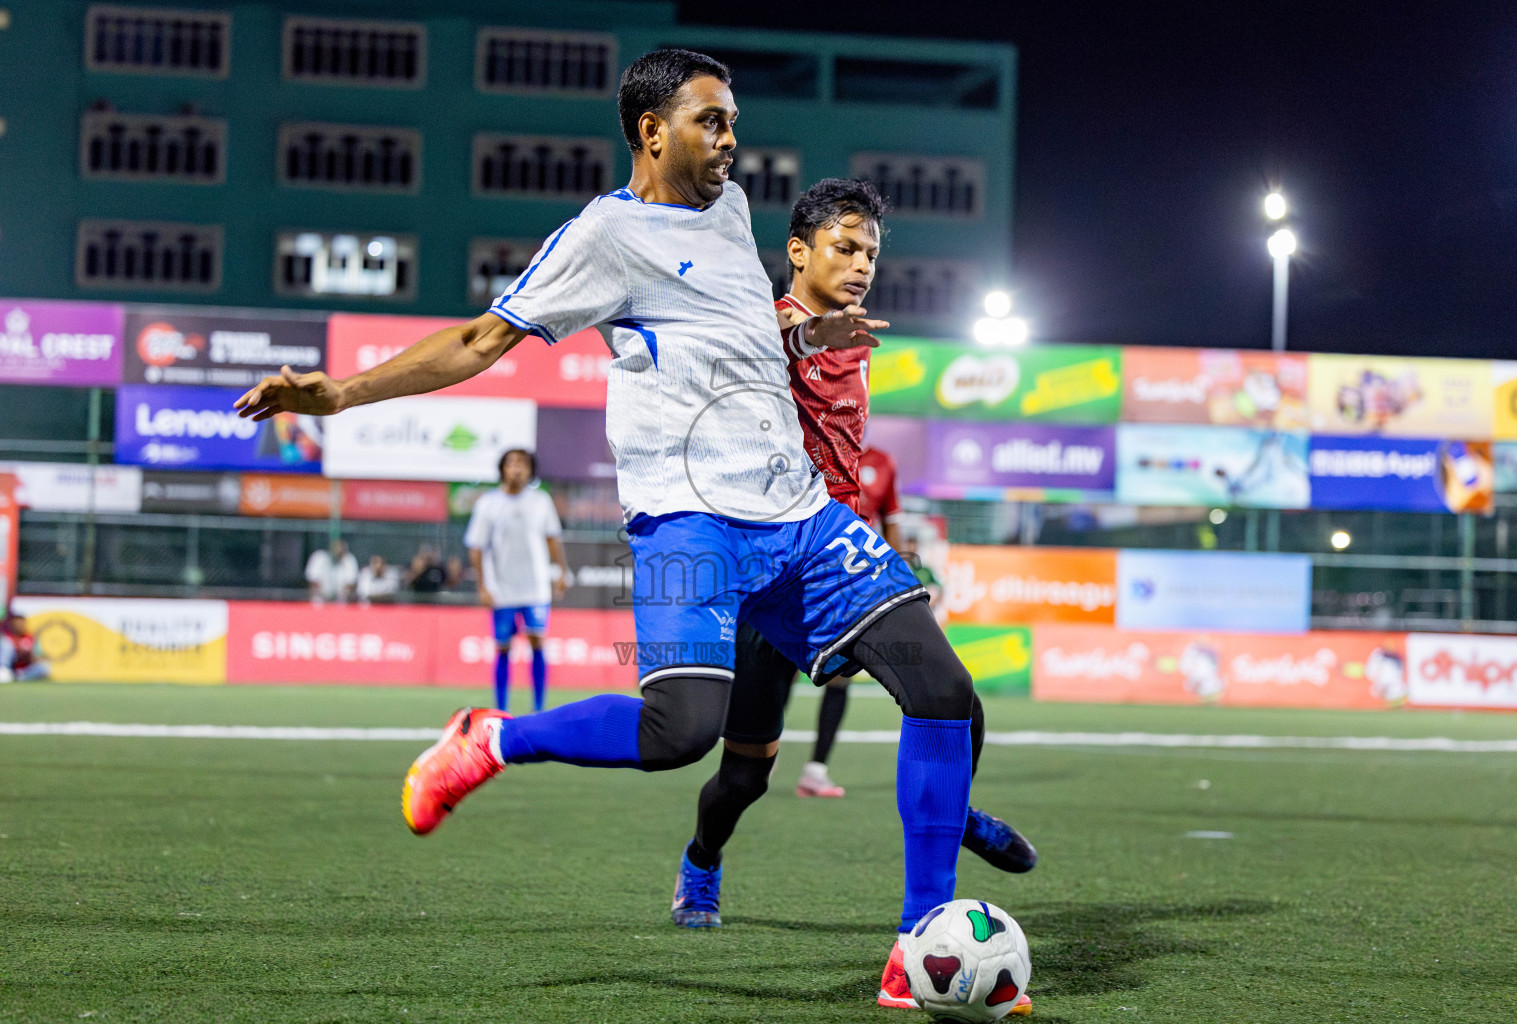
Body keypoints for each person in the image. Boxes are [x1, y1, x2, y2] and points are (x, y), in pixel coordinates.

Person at [234, 49, 1008, 1011]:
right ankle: (494, 737)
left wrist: (807, 339)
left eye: (731, 121)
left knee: (943, 689)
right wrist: (341, 392)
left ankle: (915, 945)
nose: (731, 140)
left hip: (799, 512)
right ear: (652, 132)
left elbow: (729, 333)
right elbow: (481, 340)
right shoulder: (603, 236)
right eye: (710, 122)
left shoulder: (727, 211)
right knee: (682, 733)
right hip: (689, 521)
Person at [669, 180, 1034, 1010]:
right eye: (844, 246)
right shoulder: (769, 327)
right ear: (797, 252)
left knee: (953, 696)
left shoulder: (858, 339)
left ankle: (923, 915)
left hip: (845, 560)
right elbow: (747, 346)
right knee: (745, 776)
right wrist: (800, 331)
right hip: (772, 574)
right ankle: (702, 860)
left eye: (871, 250)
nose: (862, 263)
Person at [795, 442, 905, 797]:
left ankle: (816, 769)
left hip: (850, 582)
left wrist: (897, 576)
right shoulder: (807, 447)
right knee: (777, 670)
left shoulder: (882, 461)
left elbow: (892, 525)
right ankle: (763, 750)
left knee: (842, 673)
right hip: (798, 574)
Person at [464, 448, 570, 713]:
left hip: (535, 588)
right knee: (503, 647)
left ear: (530, 470)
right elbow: (476, 547)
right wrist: (483, 585)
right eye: (511, 463)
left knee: (537, 642)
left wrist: (562, 571)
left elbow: (553, 538)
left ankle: (539, 708)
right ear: (502, 469)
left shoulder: (541, 501)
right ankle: (501, 709)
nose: (517, 468)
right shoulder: (488, 503)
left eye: (523, 463)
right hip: (503, 591)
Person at [0, 608, 48, 683]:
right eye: (17, 624)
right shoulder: (7, 638)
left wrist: (31, 654)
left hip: (25, 669)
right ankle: (4, 671)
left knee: (44, 668)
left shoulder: (31, 638)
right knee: (6, 645)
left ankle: (19, 677)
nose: (19, 626)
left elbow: (38, 658)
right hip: (11, 667)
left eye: (21, 624)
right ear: (12, 625)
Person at [304, 539, 357, 604]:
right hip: (320, 598)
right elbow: (313, 580)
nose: (338, 550)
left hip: (340, 600)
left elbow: (351, 583)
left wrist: (337, 596)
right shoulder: (319, 557)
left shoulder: (348, 560)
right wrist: (325, 595)